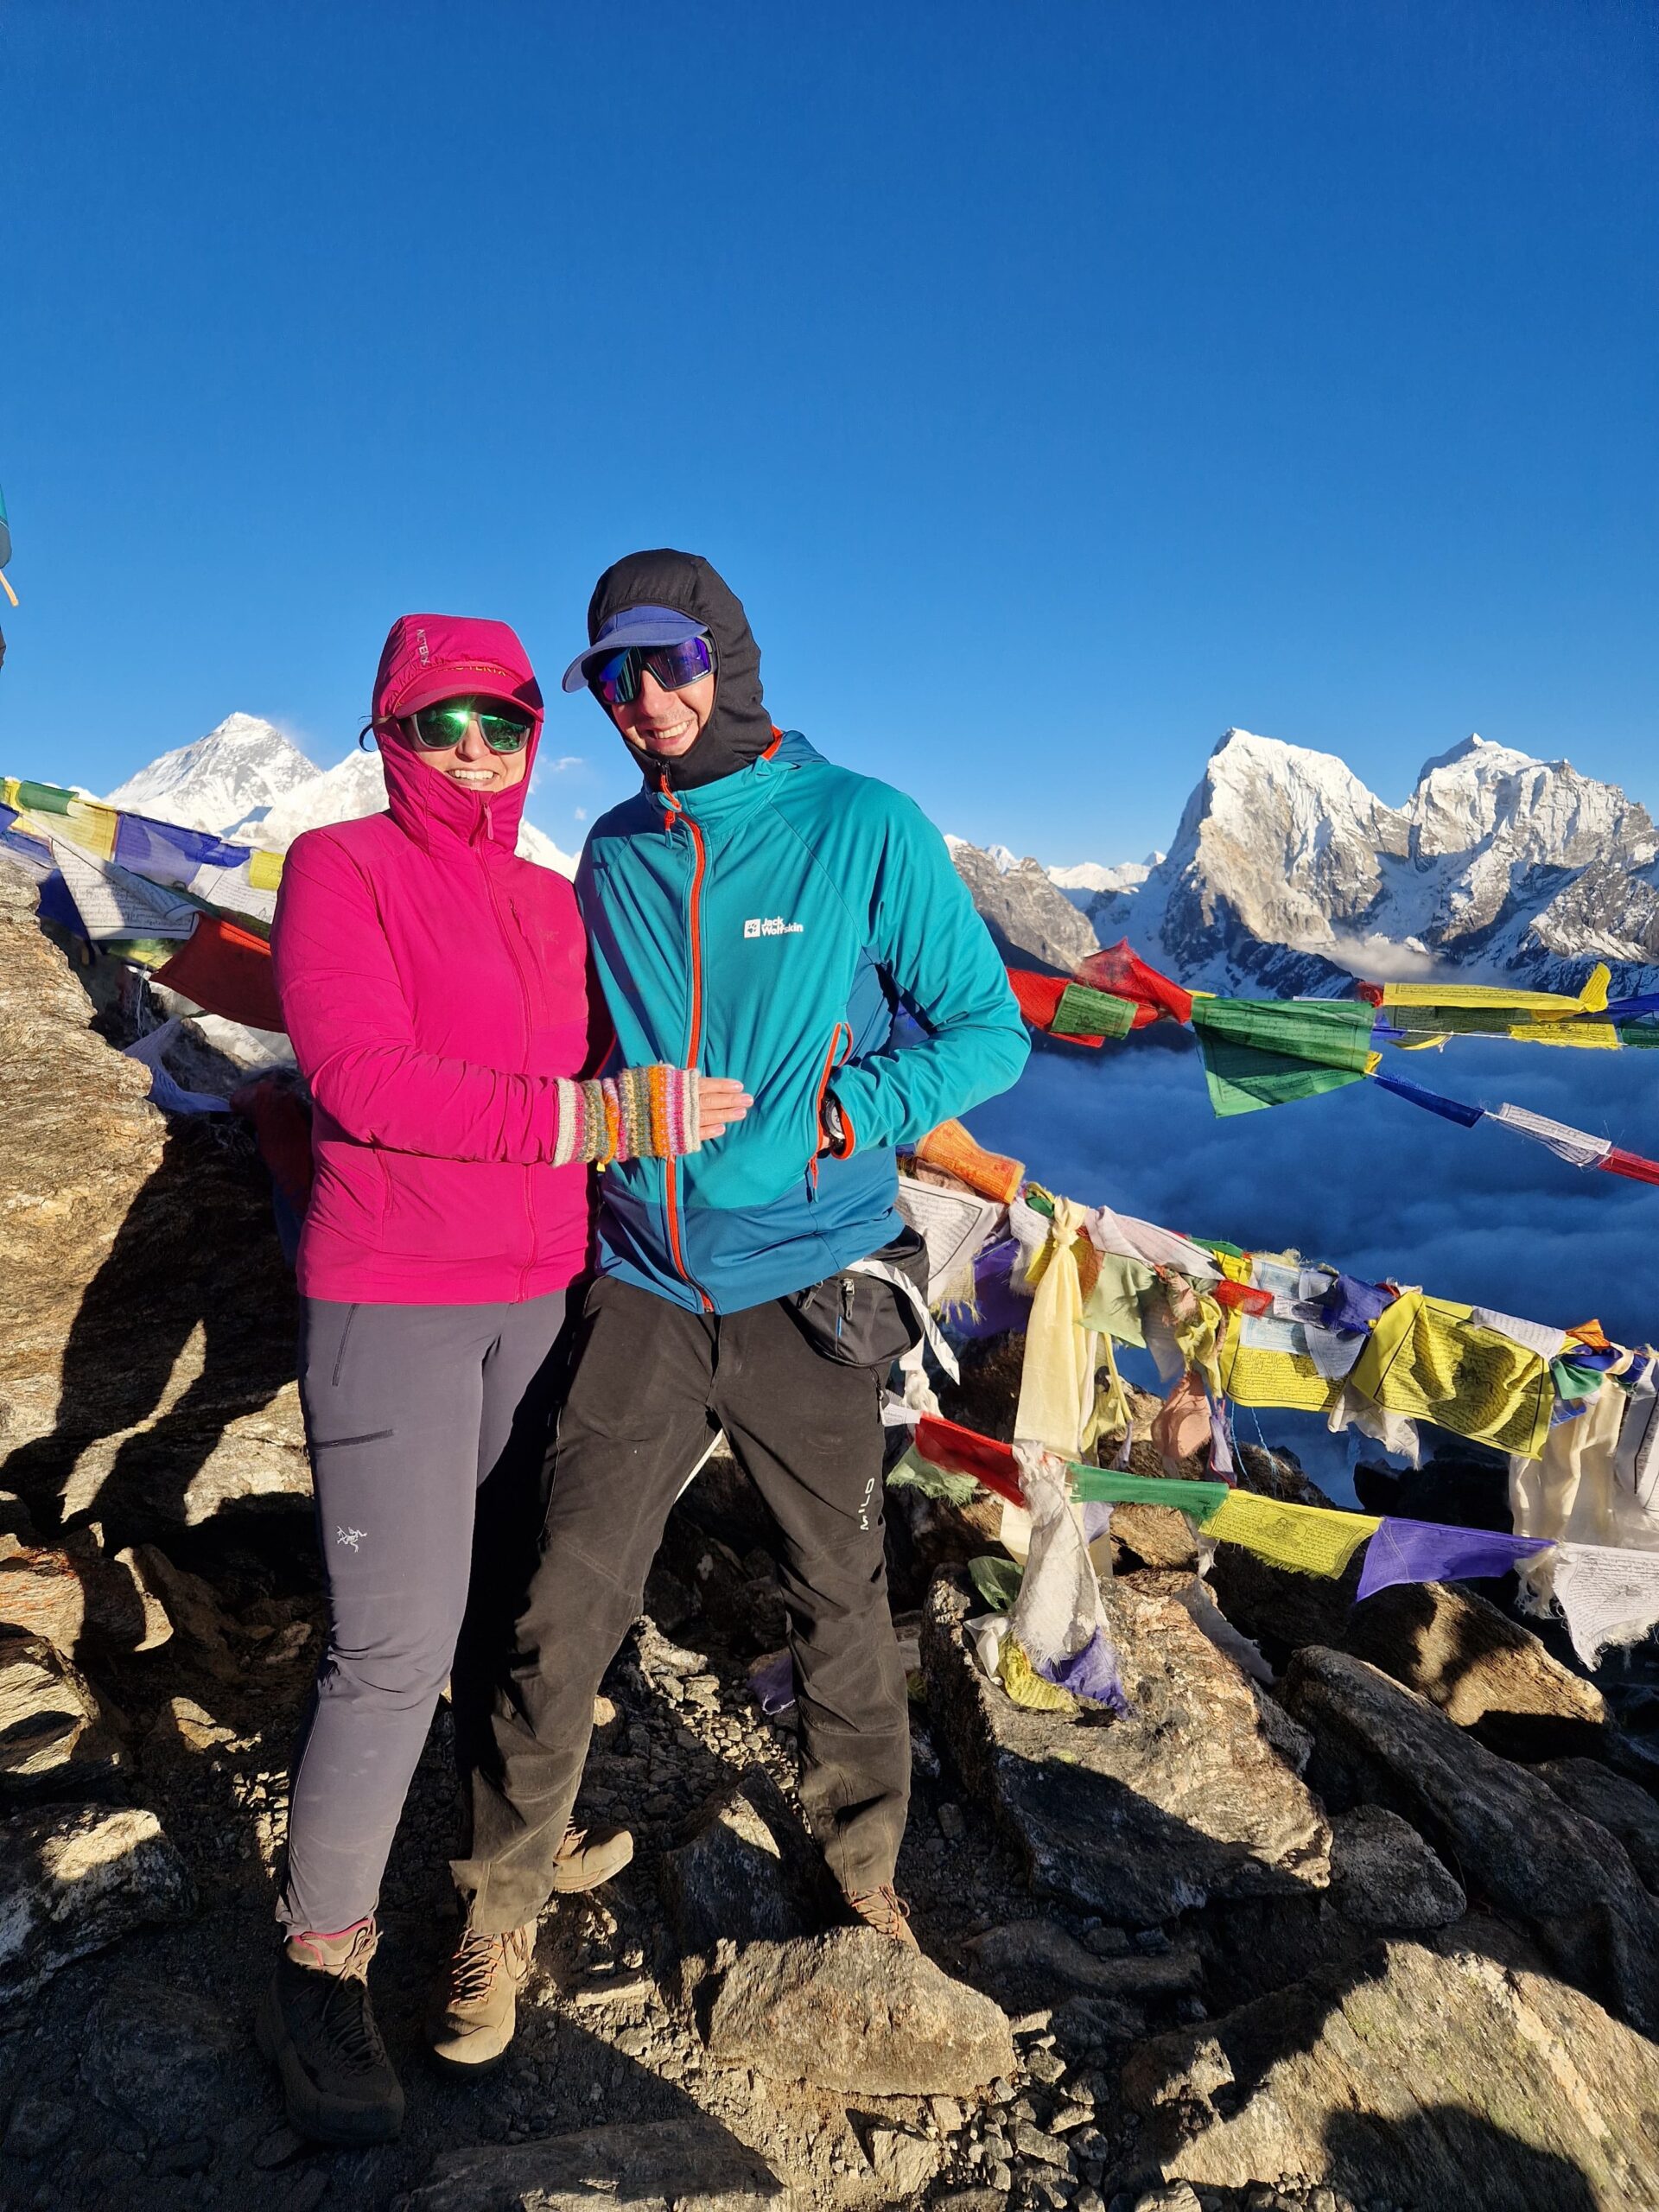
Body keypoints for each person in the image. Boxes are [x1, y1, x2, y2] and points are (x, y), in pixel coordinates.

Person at [435, 552, 1029, 2069]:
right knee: (564, 1594)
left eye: (669, 663)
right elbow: (578, 1047)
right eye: (611, 677)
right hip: (641, 1276)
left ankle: (864, 1874)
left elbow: (988, 1032)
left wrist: (856, 1108)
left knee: (839, 1589)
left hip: (808, 1276)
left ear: (730, 658)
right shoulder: (613, 852)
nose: (643, 700)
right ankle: (497, 1905)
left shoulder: (860, 825)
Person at [260, 612, 749, 2145]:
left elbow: (635, 1042)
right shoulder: (338, 870)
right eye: (440, 722)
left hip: (539, 1292)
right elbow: (358, 1075)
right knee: (392, 1644)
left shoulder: (550, 895)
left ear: (535, 734)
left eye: (503, 722)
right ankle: (317, 1965)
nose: (474, 749)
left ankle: (500, 1864)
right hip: (395, 1295)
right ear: (391, 736)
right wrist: (592, 1125)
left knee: (509, 1605)